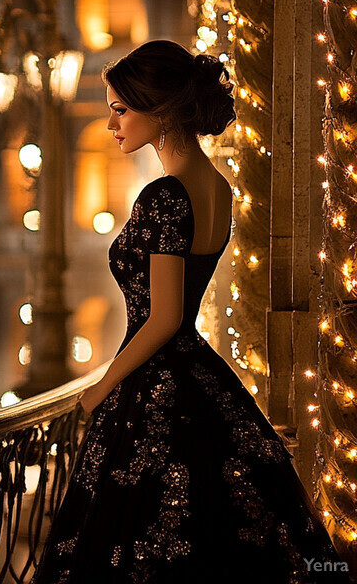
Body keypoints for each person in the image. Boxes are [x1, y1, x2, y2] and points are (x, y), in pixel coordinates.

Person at [31, 40, 353, 583]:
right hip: (197, 377)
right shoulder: (218, 189)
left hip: (157, 383)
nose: (112, 125)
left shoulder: (164, 195)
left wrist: (100, 389)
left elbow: (164, 319)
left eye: (120, 110)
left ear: (158, 109)